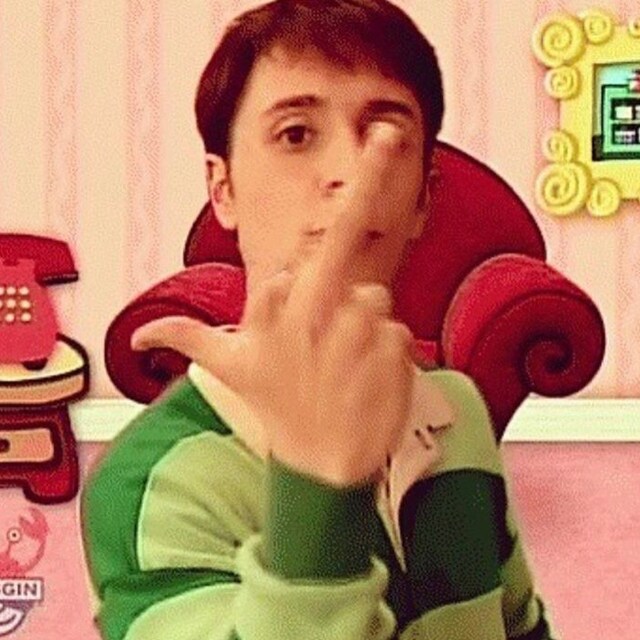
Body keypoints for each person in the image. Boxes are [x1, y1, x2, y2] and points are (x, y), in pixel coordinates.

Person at [81, 1, 557, 638]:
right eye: (296, 134)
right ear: (223, 189)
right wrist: (316, 486)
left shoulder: (459, 412)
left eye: (387, 136)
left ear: (424, 196)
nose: (351, 174)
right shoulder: (150, 483)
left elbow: (520, 626)